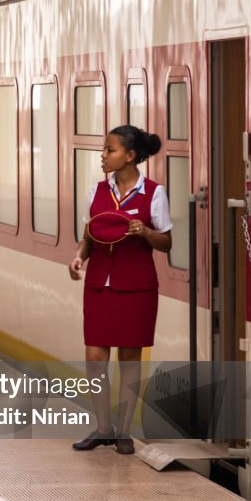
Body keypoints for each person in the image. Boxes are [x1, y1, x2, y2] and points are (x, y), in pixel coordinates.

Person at [68, 125, 172, 455]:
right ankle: (102, 428)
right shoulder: (97, 191)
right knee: (95, 358)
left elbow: (167, 242)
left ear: (129, 156)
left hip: (137, 286)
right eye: (104, 149)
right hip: (100, 283)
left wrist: (145, 232)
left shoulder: (154, 193)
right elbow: (90, 233)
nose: (103, 155)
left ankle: (124, 432)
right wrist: (79, 257)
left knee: (129, 360)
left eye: (109, 150)